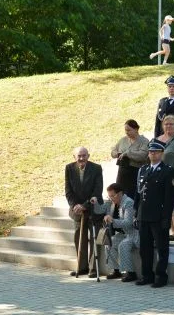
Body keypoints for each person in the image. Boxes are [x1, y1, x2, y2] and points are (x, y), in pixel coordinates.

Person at [135, 140, 174, 287]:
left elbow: (169, 198)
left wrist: (166, 217)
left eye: (156, 152)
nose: (153, 154)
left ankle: (160, 276)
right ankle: (147, 275)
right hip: (143, 215)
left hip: (158, 216)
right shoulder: (143, 169)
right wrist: (136, 213)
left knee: (161, 248)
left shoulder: (168, 171)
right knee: (144, 248)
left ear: (162, 153)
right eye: (151, 152)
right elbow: (138, 194)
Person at [64, 146, 104, 277]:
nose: (81, 158)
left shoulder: (96, 168)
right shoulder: (69, 168)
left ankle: (93, 269)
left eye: (84, 155)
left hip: (92, 208)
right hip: (77, 211)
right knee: (78, 237)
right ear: (74, 157)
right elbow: (68, 190)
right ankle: (81, 267)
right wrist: (75, 205)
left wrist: (85, 205)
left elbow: (98, 191)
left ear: (88, 155)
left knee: (93, 238)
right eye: (79, 156)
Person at [101, 183, 139, 281]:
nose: (111, 198)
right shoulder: (114, 203)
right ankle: (116, 270)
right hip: (124, 233)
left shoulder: (128, 202)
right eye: (109, 196)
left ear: (120, 193)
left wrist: (112, 220)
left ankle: (130, 273)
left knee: (123, 245)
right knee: (109, 242)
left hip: (134, 234)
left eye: (113, 196)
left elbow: (128, 223)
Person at [110, 119, 149, 198]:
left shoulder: (144, 141)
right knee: (120, 195)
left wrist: (128, 153)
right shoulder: (123, 140)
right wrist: (118, 154)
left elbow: (142, 155)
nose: (127, 132)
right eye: (125, 130)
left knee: (132, 196)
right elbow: (113, 152)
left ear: (136, 129)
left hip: (135, 172)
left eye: (129, 130)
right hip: (122, 172)